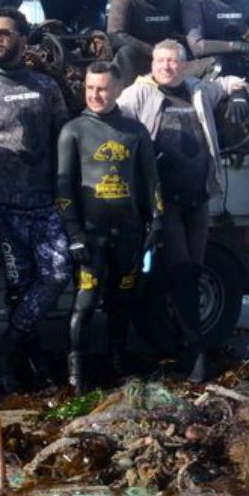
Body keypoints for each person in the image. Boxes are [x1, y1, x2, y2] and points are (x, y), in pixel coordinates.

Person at [118, 40, 249, 381]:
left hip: (198, 197)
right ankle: (194, 353)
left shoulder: (197, 90)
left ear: (184, 65)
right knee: (181, 270)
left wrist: (238, 93)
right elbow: (109, 114)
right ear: (152, 63)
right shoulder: (140, 94)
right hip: (163, 200)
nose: (167, 66)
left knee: (194, 271)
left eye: (174, 61)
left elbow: (228, 82)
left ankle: (187, 346)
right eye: (161, 60)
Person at [0, 7, 72, 392]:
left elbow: (64, 145)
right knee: (19, 289)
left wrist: (65, 198)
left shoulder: (46, 87)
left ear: (23, 39)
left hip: (43, 204)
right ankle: (28, 367)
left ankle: (4, 351)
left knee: (56, 275)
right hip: (0, 210)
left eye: (5, 32)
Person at [56, 62, 162, 389]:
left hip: (129, 234)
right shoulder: (73, 130)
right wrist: (74, 233)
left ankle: (117, 361)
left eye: (102, 88)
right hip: (90, 235)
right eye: (90, 88)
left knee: (122, 302)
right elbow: (63, 188)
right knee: (85, 303)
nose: (95, 95)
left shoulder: (135, 131)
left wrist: (156, 222)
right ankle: (76, 373)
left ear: (117, 89)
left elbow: (151, 182)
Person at [107, 0, 184, 80]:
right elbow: (116, 36)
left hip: (166, 61)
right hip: (136, 59)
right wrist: (154, 51)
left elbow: (178, 31)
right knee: (126, 53)